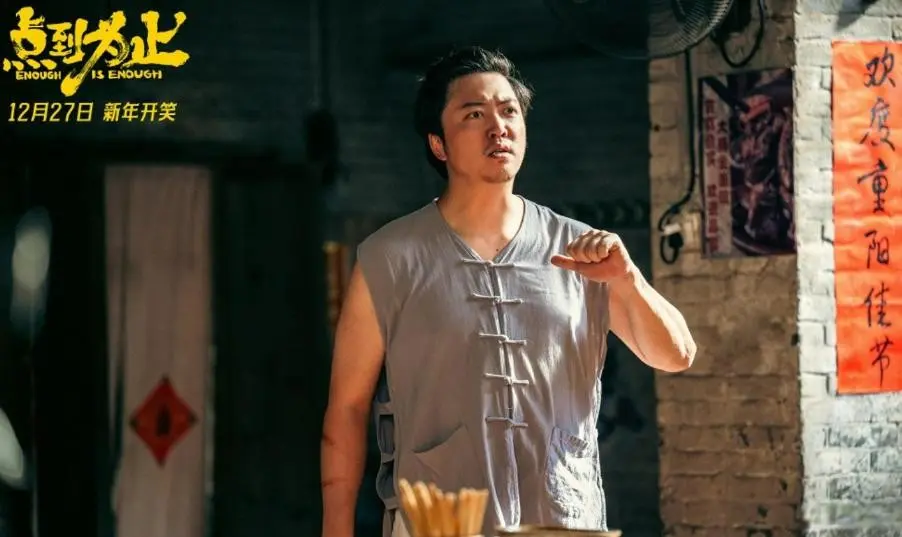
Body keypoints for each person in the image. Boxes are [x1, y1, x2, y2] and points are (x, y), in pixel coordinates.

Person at [320, 46, 696, 537]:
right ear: (438, 144)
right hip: (439, 524)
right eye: (474, 114)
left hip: (564, 520)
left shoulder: (582, 250)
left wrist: (629, 279)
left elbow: (676, 354)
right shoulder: (389, 257)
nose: (498, 127)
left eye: (509, 111)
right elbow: (346, 410)